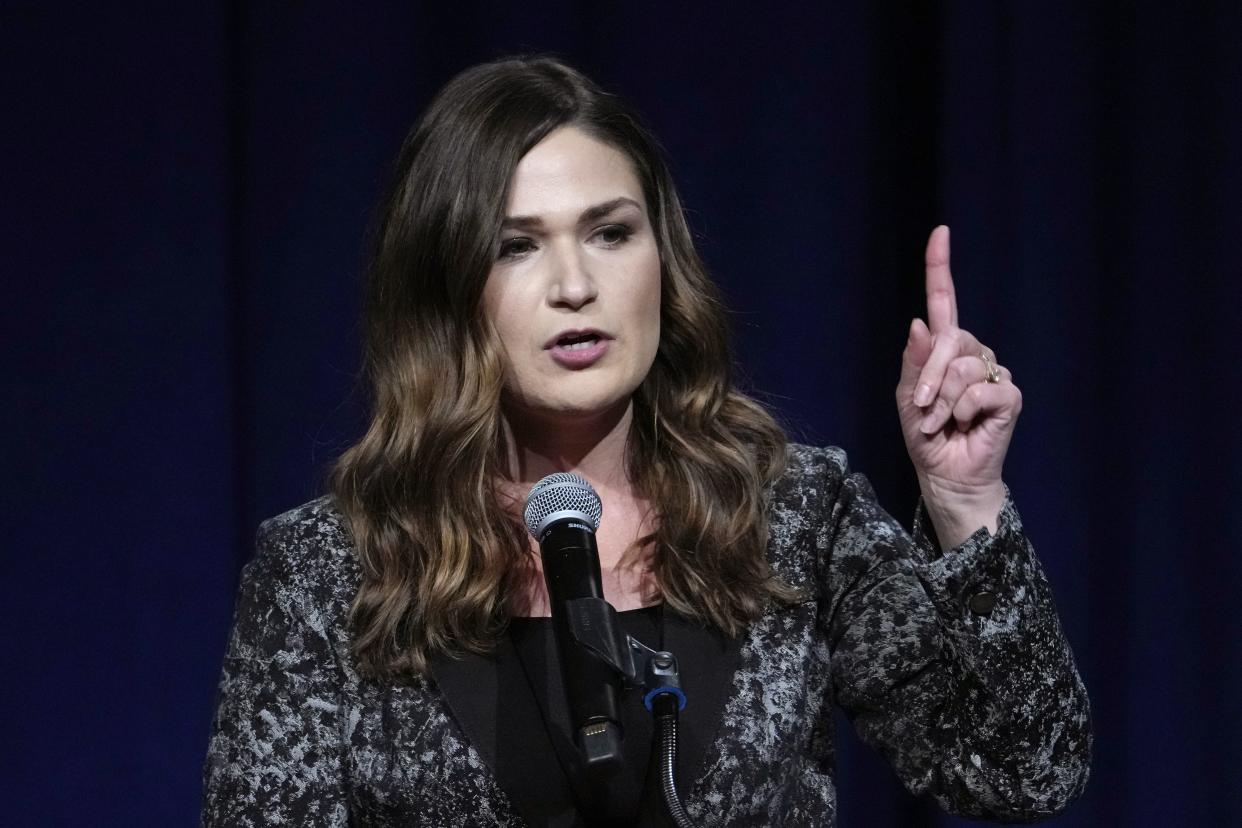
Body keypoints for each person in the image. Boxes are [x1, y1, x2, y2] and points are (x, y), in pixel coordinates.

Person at [201, 55, 1090, 827]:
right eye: (517, 247)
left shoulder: (790, 519)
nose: (576, 285)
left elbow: (1022, 770)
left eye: (611, 233)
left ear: (663, 262)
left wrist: (964, 501)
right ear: (446, 290)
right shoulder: (332, 571)